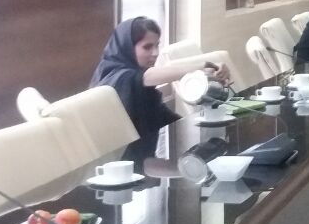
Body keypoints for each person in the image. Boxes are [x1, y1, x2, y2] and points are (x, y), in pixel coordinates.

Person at [91, 17, 231, 161]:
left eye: (157, 45)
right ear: (127, 47)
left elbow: (171, 121)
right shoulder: (116, 77)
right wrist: (203, 67)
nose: (155, 53)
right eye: (147, 47)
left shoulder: (141, 85)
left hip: (145, 161)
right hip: (123, 166)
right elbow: (146, 77)